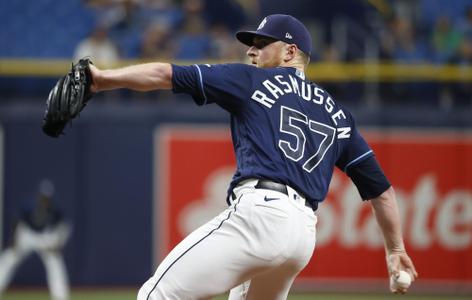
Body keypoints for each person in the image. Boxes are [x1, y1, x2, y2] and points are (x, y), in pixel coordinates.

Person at [87, 14, 418, 299]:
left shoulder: (250, 79)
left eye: (262, 43)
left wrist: (101, 80)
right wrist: (396, 250)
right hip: (302, 237)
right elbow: (382, 193)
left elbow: (166, 75)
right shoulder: (339, 115)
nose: (251, 50)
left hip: (261, 215)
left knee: (156, 294)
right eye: (252, 44)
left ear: (290, 52)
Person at [0, 179, 71, 300]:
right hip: (28, 235)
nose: (44, 199)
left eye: (47, 197)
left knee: (55, 263)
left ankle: (60, 296)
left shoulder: (56, 210)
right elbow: (18, 223)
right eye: (43, 196)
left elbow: (64, 228)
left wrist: (58, 244)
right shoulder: (29, 206)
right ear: (39, 195)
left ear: (50, 198)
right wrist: (14, 240)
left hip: (45, 237)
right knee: (9, 258)